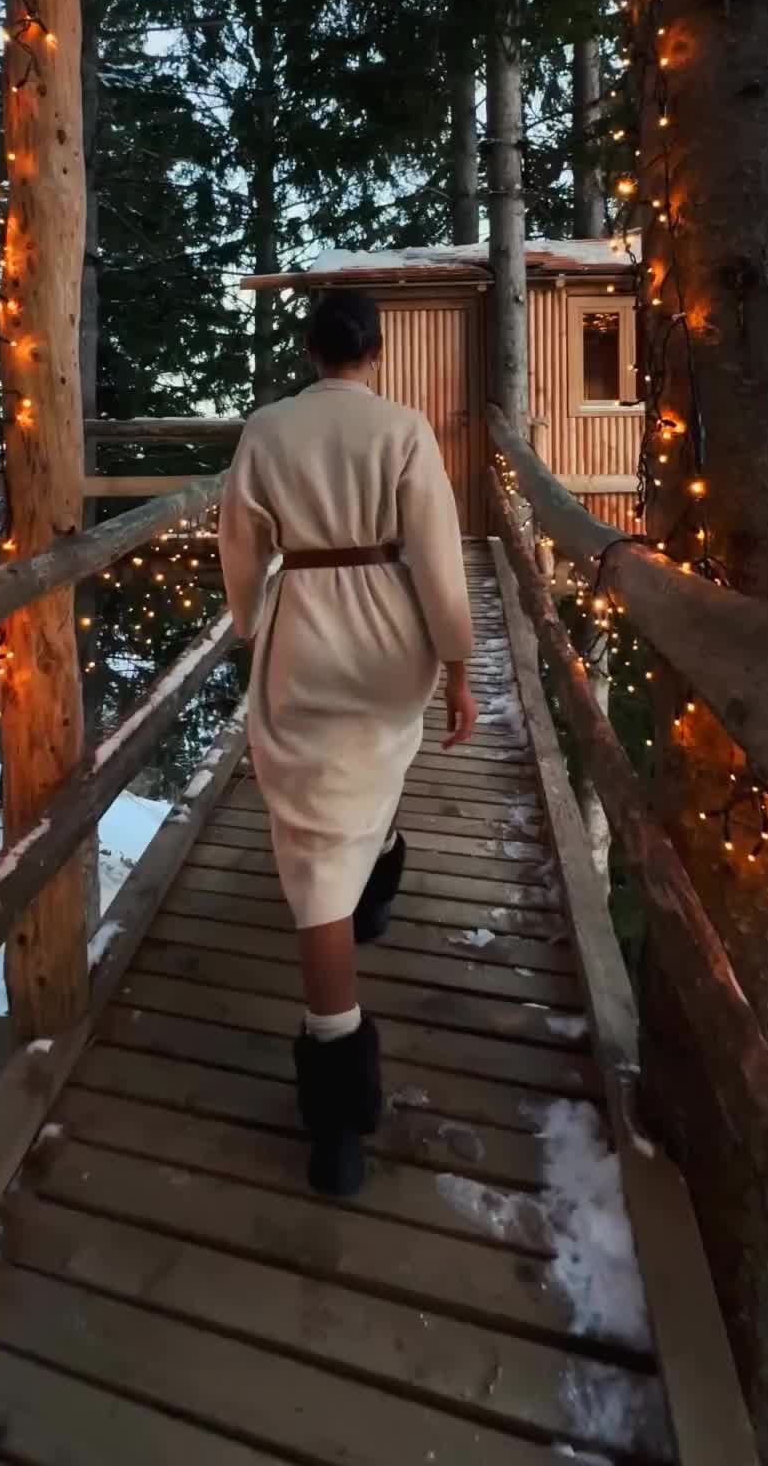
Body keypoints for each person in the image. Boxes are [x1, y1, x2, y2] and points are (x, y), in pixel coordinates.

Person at [219, 286, 477, 1196]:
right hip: (388, 637)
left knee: (315, 856)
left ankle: (335, 1119)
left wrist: (253, 618)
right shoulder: (403, 430)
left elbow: (241, 545)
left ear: (309, 350)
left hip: (307, 638)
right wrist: (455, 662)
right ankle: (378, 875)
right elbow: (439, 558)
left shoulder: (268, 429)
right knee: (378, 758)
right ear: (376, 351)